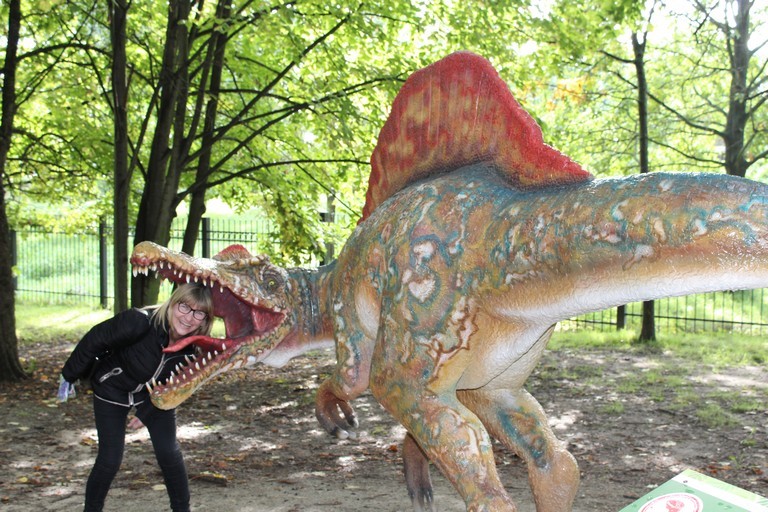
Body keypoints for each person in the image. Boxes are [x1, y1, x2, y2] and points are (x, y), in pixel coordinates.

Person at [59, 283, 214, 512]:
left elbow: (176, 388)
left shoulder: (196, 349)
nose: (189, 318)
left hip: (156, 395)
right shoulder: (139, 321)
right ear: (172, 304)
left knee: (168, 453)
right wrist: (69, 375)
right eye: (184, 307)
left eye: (199, 313)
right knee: (110, 459)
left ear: (205, 320)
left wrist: (147, 412)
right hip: (112, 388)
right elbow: (96, 338)